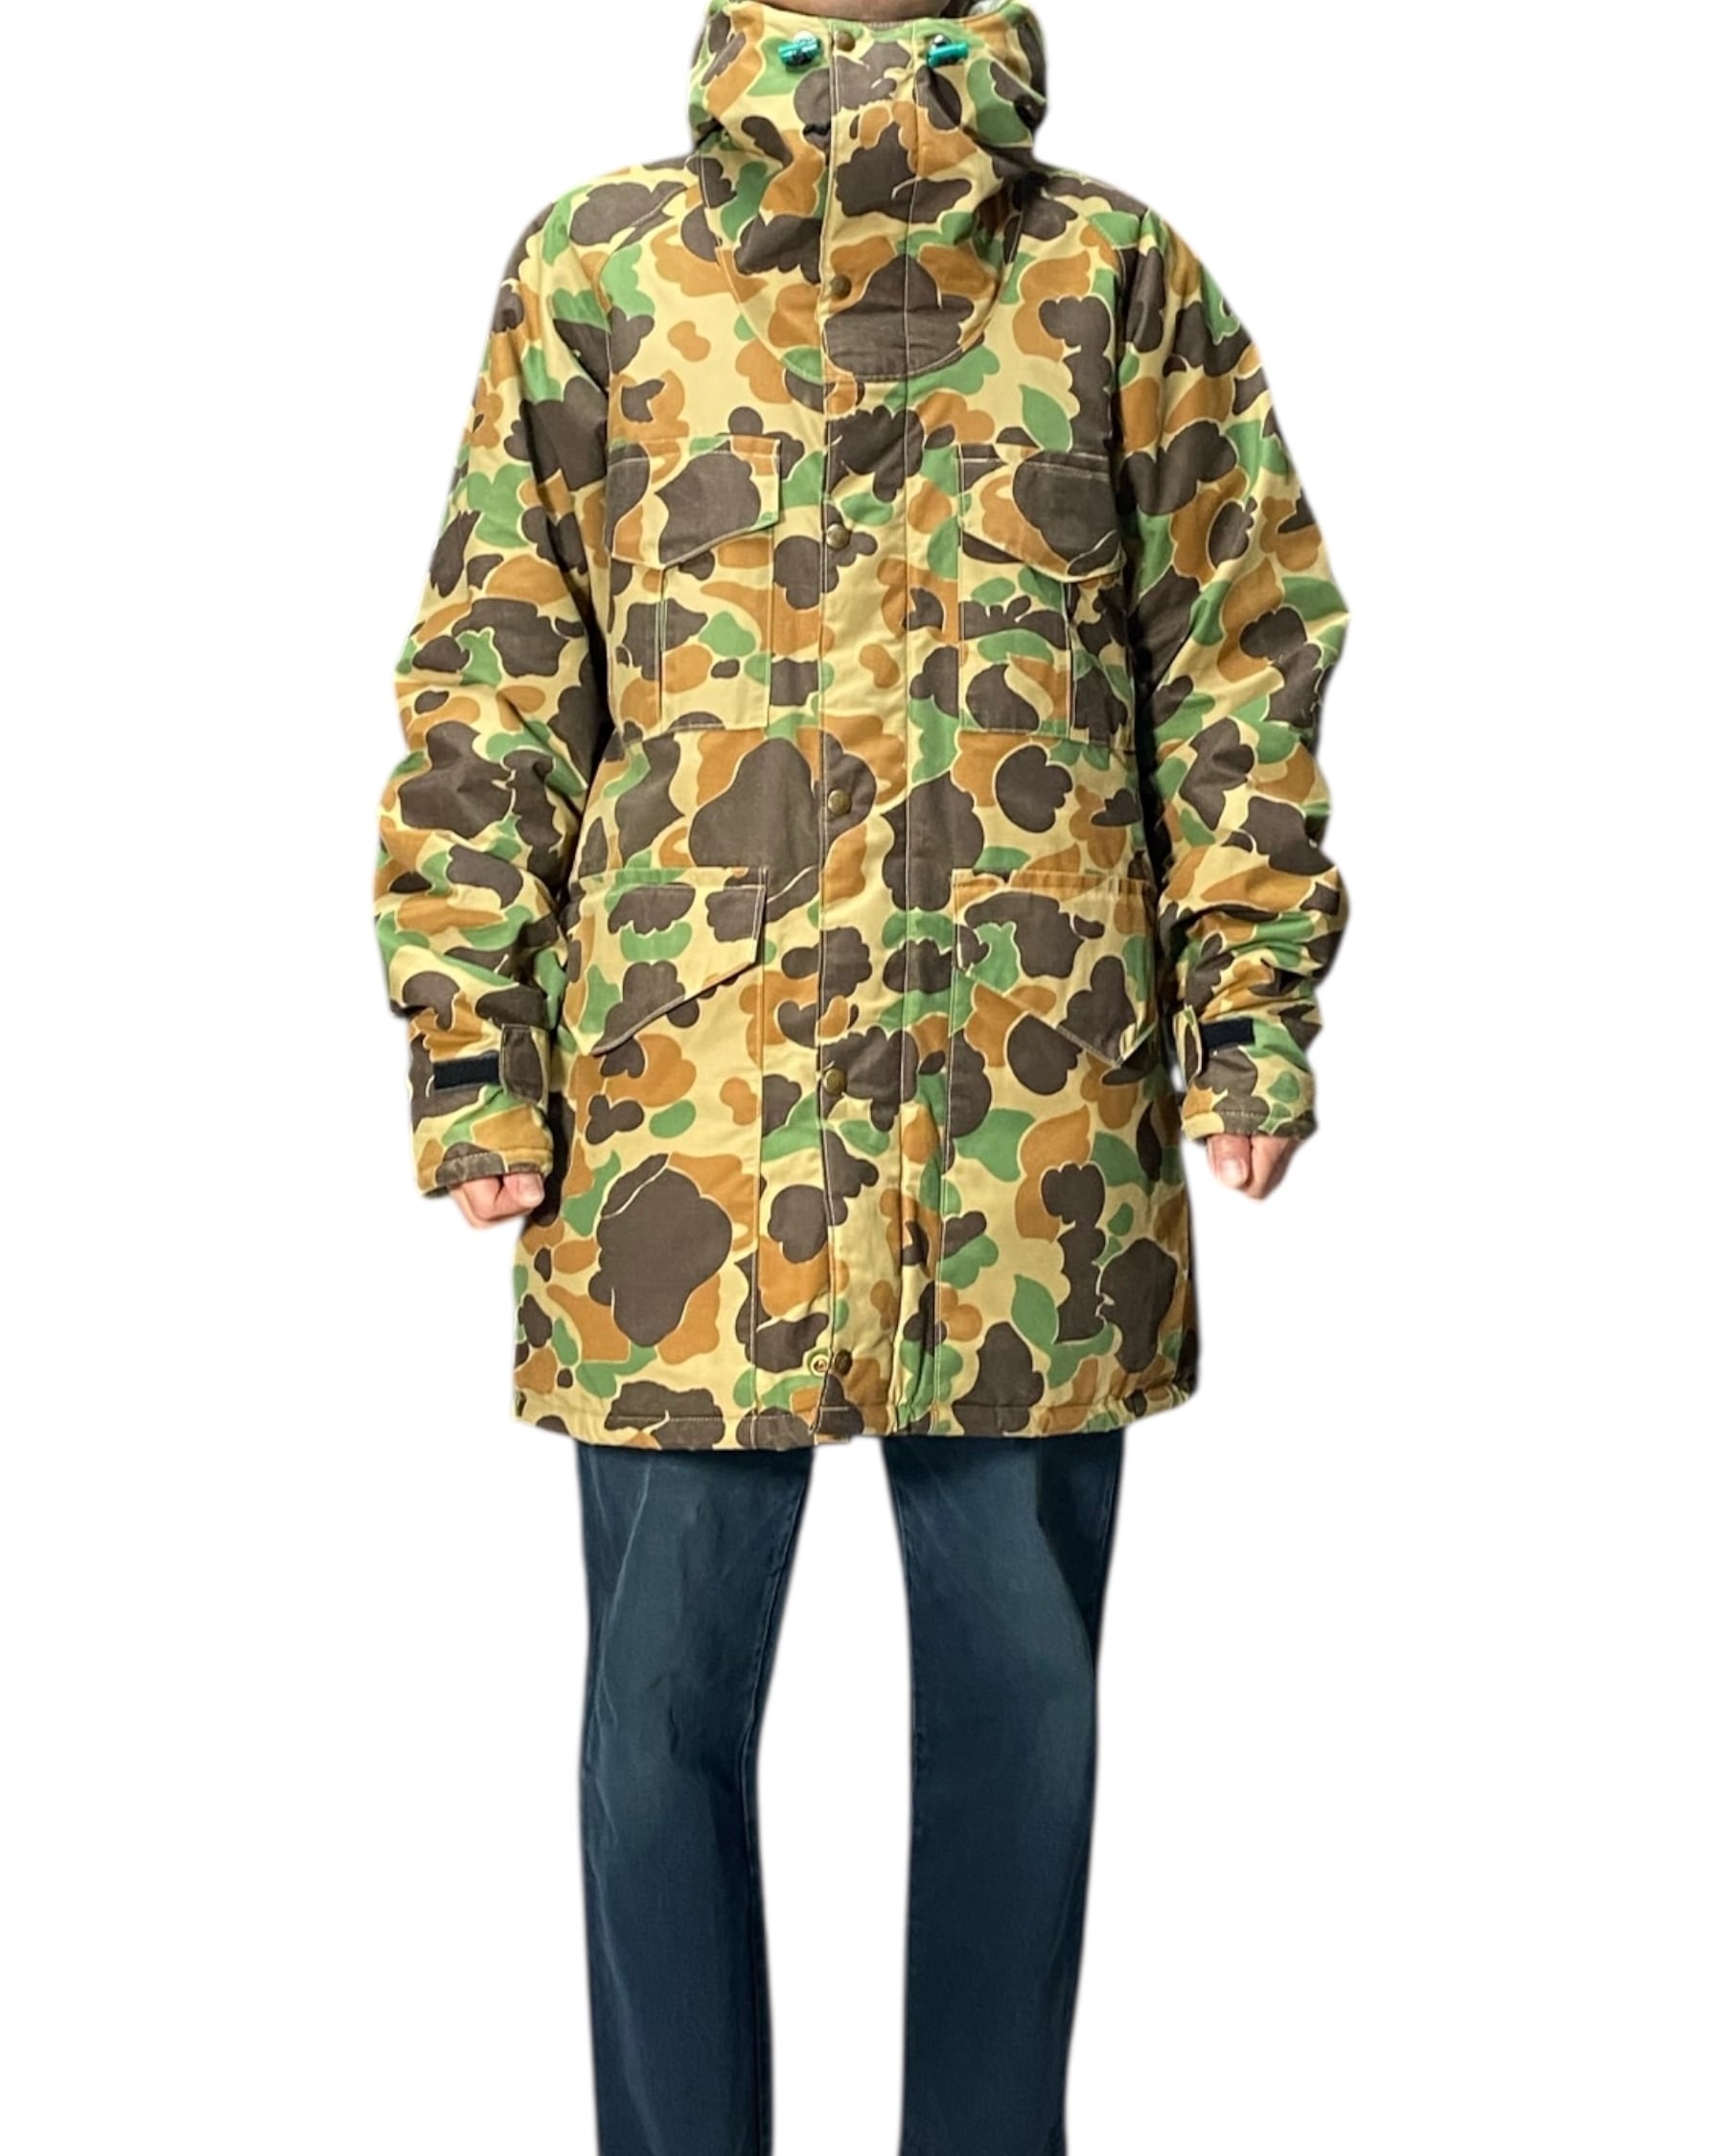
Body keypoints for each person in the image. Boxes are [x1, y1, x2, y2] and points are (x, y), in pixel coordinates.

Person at [373, 1, 1349, 2149]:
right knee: (656, 1726)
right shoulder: (599, 270)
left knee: (1021, 1723)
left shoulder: (1114, 280)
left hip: (1035, 1134)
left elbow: (1235, 646)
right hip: (675, 1135)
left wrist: (1250, 999)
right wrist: (474, 1046)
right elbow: (497, 672)